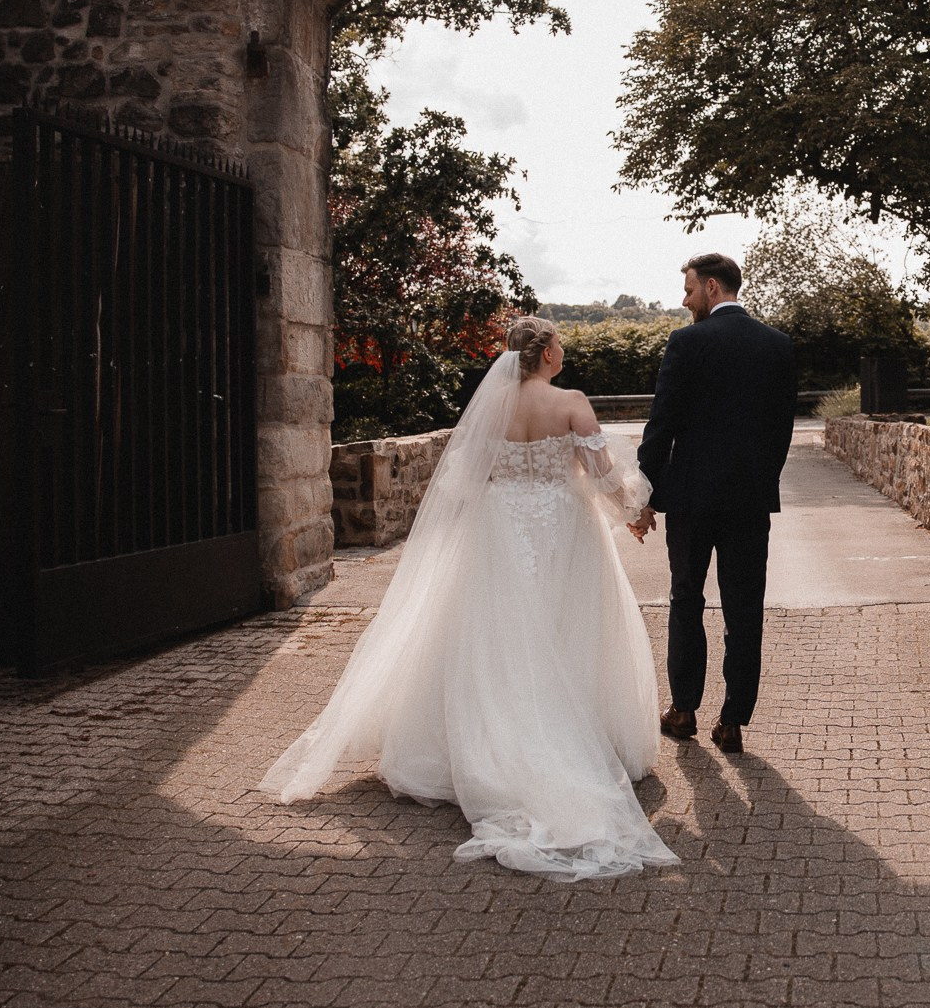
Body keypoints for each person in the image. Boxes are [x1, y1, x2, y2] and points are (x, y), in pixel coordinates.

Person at [259, 317, 678, 881]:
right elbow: (603, 478)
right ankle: (569, 742)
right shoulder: (571, 402)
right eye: (559, 343)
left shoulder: (491, 407)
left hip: (500, 528)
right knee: (566, 627)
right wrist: (635, 512)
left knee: (497, 635)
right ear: (546, 353)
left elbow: (462, 482)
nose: (562, 350)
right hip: (562, 529)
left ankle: (488, 742)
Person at [631, 253, 797, 755]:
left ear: (710, 287)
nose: (684, 300)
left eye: (688, 290)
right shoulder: (778, 344)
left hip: (691, 499)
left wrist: (644, 492)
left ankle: (683, 711)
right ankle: (732, 722)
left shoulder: (686, 342)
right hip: (750, 501)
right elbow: (782, 430)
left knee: (687, 599)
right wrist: (761, 481)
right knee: (745, 608)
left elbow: (662, 423)